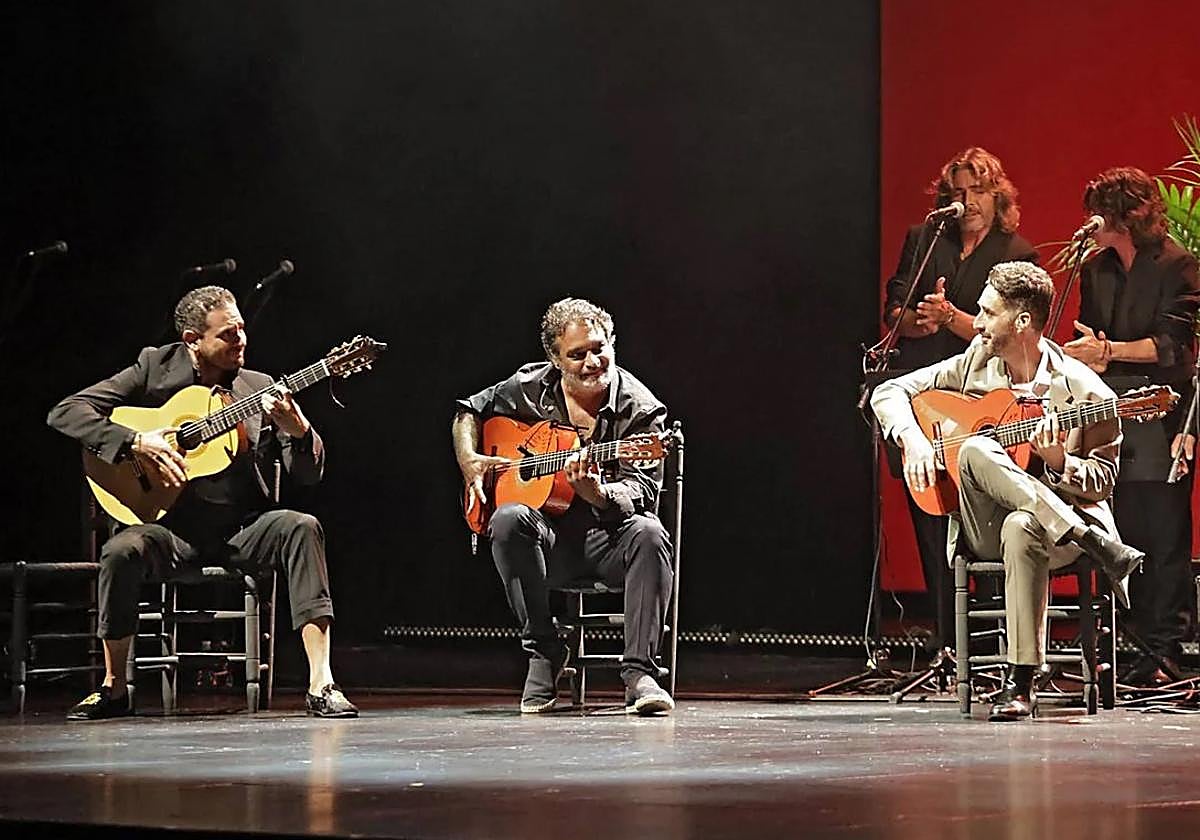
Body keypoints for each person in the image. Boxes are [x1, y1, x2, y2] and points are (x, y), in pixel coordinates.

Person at [47, 285, 357, 720]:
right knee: (119, 551)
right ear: (193, 340)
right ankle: (114, 687)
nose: (241, 340)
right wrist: (136, 442)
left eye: (242, 329)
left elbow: (308, 475)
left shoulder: (259, 389)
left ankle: (321, 683)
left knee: (301, 526)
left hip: (241, 529)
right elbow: (66, 412)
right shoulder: (154, 368)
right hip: (168, 530)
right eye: (228, 334)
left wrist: (300, 430)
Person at [872, 262, 1145, 720]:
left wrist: (1058, 463)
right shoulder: (976, 361)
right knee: (977, 448)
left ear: (1021, 321)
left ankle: (1020, 682)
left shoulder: (1085, 390)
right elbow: (889, 392)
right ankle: (1085, 535)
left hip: (1050, 538)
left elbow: (1103, 480)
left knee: (1022, 526)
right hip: (984, 524)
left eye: (988, 312)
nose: (976, 323)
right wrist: (913, 439)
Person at [453, 298, 675, 715]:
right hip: (547, 547)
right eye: (577, 354)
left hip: (608, 543)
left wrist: (597, 493)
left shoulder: (640, 409)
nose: (592, 362)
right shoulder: (529, 387)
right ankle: (545, 650)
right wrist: (469, 460)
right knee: (508, 518)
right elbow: (469, 410)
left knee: (649, 533)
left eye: (599, 348)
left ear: (612, 343)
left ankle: (640, 675)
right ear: (555, 359)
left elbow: (643, 490)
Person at [882, 148, 1039, 650]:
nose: (967, 202)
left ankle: (992, 646)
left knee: (985, 522)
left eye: (978, 191)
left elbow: (1013, 332)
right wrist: (922, 321)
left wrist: (952, 318)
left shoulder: (1017, 253)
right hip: (926, 400)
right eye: (957, 192)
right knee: (930, 519)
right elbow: (895, 311)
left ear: (998, 196)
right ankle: (948, 644)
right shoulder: (926, 238)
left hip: (984, 402)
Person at [1064, 166, 1200, 685]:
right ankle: (1124, 644)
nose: (1090, 221)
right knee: (1119, 526)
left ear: (1123, 215)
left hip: (1164, 412)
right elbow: (1094, 337)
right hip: (1110, 410)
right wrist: (1089, 353)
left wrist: (1109, 351)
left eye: (1098, 211)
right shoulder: (1096, 269)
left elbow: (1172, 347)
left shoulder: (1176, 265)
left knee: (1162, 531)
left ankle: (1165, 649)